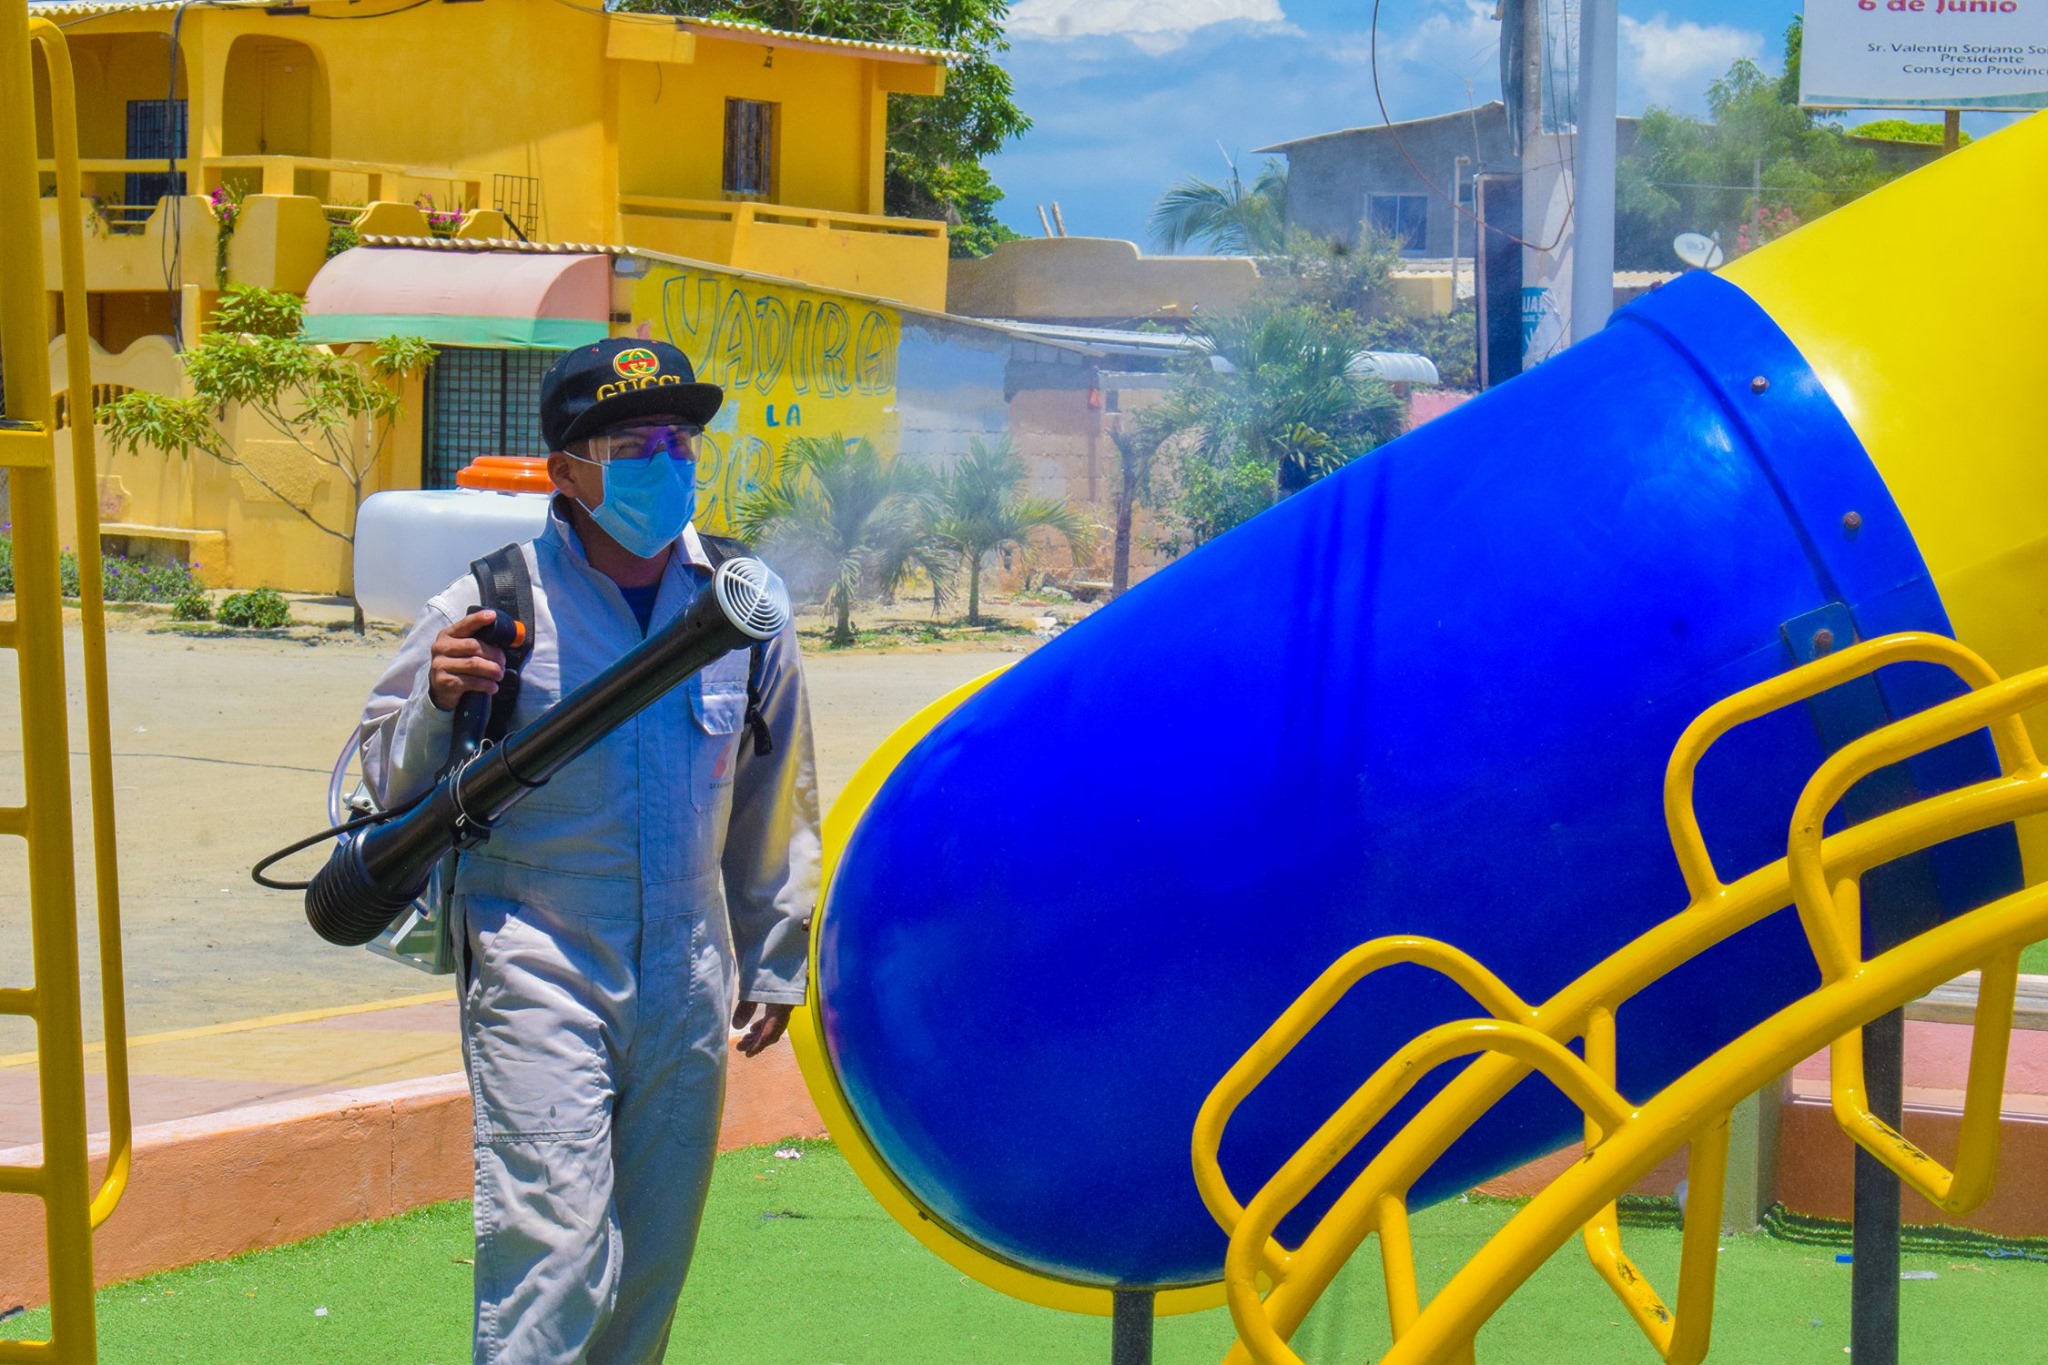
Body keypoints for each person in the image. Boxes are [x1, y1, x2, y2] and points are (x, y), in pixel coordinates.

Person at [359, 338, 820, 1364]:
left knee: (650, 1264)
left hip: (689, 961)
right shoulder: (490, 604)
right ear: (565, 470)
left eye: (680, 440)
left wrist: (774, 953)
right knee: (556, 1254)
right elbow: (377, 786)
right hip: (538, 948)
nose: (667, 462)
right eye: (632, 444)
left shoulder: (741, 602)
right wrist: (434, 701)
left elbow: (775, 787)